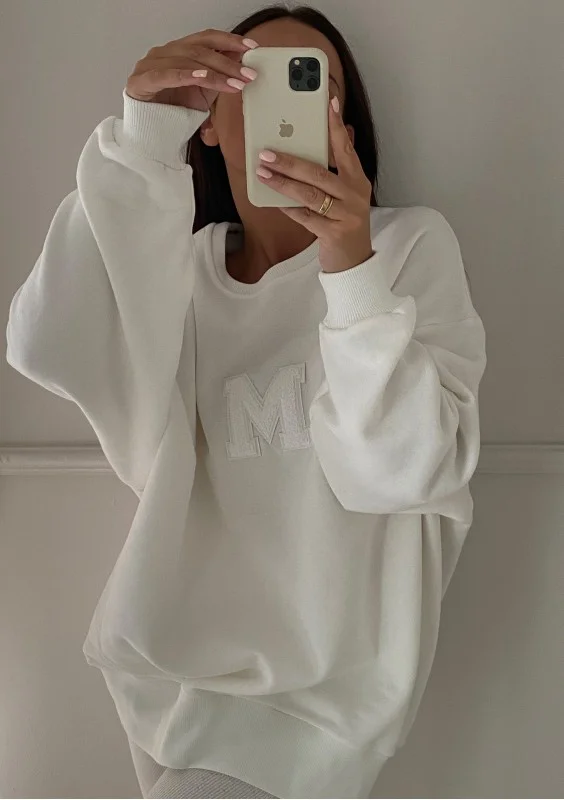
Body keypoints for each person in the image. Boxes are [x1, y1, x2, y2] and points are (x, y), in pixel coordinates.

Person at [5, 4, 487, 798]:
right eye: (253, 81)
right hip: (169, 687)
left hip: (318, 709)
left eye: (314, 85)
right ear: (210, 121)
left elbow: (403, 469)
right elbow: (50, 337)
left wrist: (349, 263)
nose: (286, 107)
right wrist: (141, 138)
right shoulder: (184, 267)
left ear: (344, 125)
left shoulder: (405, 248)